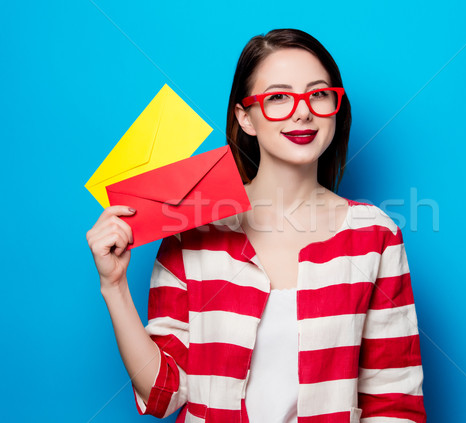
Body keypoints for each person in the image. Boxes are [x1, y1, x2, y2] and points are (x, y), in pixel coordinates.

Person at [87, 28, 426, 423]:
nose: (303, 111)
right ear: (245, 117)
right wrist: (114, 288)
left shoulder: (375, 235)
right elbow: (165, 392)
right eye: (277, 97)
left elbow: (394, 400)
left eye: (318, 94)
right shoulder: (192, 230)